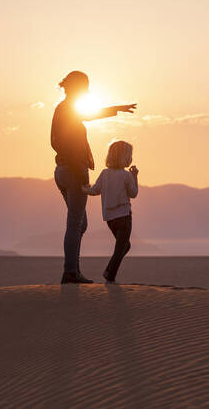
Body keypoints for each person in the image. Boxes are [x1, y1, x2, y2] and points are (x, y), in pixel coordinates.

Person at [51, 71, 136, 284]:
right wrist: (77, 168)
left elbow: (88, 115)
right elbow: (61, 143)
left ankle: (73, 269)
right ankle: (71, 272)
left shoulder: (65, 108)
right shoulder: (67, 109)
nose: (87, 90)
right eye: (85, 86)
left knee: (80, 224)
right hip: (72, 170)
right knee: (75, 222)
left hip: (63, 171)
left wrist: (116, 109)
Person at [82, 140, 139, 283]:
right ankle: (110, 274)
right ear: (125, 157)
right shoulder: (126, 175)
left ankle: (109, 271)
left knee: (125, 246)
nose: (130, 158)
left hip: (110, 218)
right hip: (124, 216)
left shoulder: (105, 174)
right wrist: (135, 176)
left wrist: (85, 188)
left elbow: (95, 190)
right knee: (122, 247)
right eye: (129, 155)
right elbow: (133, 193)